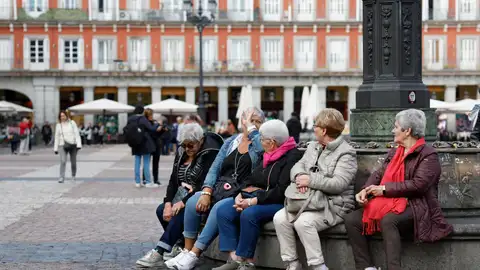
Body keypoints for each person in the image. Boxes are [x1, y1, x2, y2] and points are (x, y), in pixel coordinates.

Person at [344, 109, 453, 270]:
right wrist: (366, 189)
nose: (392, 130)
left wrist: (384, 189)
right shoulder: (396, 151)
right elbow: (379, 173)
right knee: (352, 220)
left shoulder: (428, 155)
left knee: (389, 220)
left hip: (417, 205)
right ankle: (366, 267)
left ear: (407, 131)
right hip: (389, 202)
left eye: (396, 126)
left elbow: (419, 185)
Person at [166, 107, 265, 270]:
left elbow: (263, 153)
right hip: (222, 188)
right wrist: (206, 191)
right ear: (242, 121)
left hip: (243, 193)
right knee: (192, 201)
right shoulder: (231, 142)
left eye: (257, 121)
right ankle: (186, 250)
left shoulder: (262, 143)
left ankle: (194, 255)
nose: (252, 124)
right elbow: (215, 168)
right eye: (249, 120)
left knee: (219, 207)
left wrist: (253, 132)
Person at [273, 108, 357, 270]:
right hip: (307, 200)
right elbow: (297, 166)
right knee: (279, 218)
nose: (313, 128)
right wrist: (299, 178)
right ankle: (292, 264)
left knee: (303, 223)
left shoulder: (346, 153)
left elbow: (339, 184)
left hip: (334, 205)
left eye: (316, 125)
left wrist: (310, 180)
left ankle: (318, 266)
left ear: (324, 130)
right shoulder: (313, 147)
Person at [214, 120, 303, 270]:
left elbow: (282, 191)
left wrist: (253, 201)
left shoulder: (291, 157)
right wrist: (239, 194)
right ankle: (234, 258)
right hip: (256, 198)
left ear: (272, 142)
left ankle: (247, 262)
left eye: (262, 140)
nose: (260, 142)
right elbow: (251, 178)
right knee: (224, 210)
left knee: (249, 214)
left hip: (279, 202)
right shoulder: (267, 155)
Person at [136, 123, 223, 268]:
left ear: (200, 141)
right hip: (183, 195)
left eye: (191, 145)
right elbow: (173, 180)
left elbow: (205, 183)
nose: (187, 149)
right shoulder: (182, 151)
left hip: (203, 197)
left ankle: (159, 250)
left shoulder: (211, 152)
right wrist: (168, 203)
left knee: (181, 210)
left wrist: (182, 202)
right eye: (184, 145)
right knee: (161, 209)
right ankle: (179, 245)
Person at [125, 105, 163, 188]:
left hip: (134, 143)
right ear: (142, 111)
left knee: (137, 162)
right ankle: (148, 182)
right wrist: (157, 124)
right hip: (144, 143)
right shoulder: (142, 119)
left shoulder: (130, 119)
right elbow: (151, 128)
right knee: (146, 162)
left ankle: (137, 182)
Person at [54, 111, 82, 183]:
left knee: (73, 162)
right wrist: (55, 148)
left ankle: (73, 176)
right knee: (63, 161)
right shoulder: (58, 125)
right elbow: (56, 137)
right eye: (61, 116)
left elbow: (77, 134)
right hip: (62, 145)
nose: (62, 117)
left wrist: (79, 144)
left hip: (73, 144)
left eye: (63, 115)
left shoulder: (72, 123)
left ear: (66, 116)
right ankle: (61, 177)